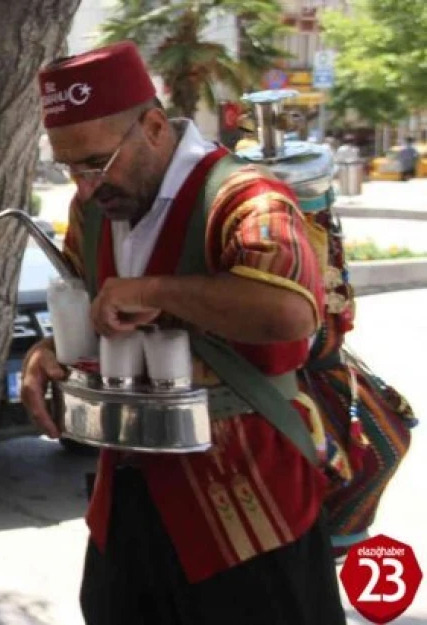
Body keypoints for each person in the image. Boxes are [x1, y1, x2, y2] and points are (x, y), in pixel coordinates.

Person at [21, 42, 345, 624]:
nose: (86, 186)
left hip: (251, 515)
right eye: (70, 167)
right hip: (127, 511)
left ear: (151, 126)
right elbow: (96, 307)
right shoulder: (94, 209)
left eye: (96, 163)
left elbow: (291, 312)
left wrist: (152, 291)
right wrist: (50, 351)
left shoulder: (245, 198)